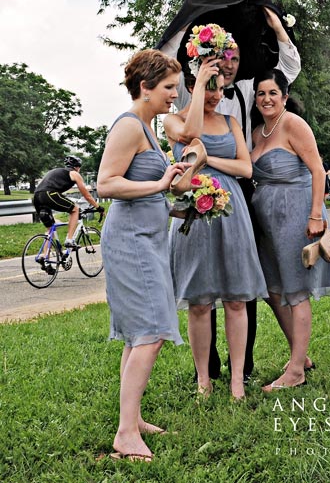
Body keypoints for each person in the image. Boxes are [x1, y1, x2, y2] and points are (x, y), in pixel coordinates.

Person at [174, 7, 301, 383]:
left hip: (240, 188)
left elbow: (288, 70)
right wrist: (187, 28)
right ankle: (208, 371)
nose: (227, 65)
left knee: (243, 283)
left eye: (234, 58)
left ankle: (241, 370)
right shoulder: (188, 87)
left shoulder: (246, 92)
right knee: (203, 284)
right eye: (220, 57)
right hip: (196, 188)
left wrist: (277, 26)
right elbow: (166, 64)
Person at [96, 49, 191, 462]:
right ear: (145, 86)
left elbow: (149, 187)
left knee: (139, 333)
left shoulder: (149, 129)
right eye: (170, 87)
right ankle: (124, 435)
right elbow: (106, 185)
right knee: (151, 331)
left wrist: (181, 204)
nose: (175, 94)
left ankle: (132, 420)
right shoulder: (129, 126)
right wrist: (160, 187)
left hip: (149, 236)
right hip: (130, 242)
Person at [164, 59, 267, 400]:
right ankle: (203, 380)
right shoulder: (174, 121)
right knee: (199, 302)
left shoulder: (231, 121)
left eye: (220, 88)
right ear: (191, 87)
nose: (216, 95)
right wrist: (198, 89)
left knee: (237, 299)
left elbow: (245, 167)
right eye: (209, 87)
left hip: (230, 209)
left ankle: (237, 378)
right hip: (192, 210)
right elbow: (188, 139)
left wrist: (208, 161)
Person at [249, 69, 330, 391]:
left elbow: (317, 169)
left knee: (296, 291)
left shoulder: (293, 124)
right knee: (274, 291)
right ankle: (299, 356)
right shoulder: (257, 131)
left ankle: (295, 372)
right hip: (266, 221)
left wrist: (316, 216)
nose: (267, 99)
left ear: (285, 96)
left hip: (297, 213)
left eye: (273, 92)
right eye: (261, 93)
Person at [33, 155, 104, 246]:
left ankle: (44, 256)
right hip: (48, 194)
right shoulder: (75, 174)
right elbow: (86, 194)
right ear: (77, 167)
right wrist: (98, 207)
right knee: (75, 209)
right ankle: (69, 240)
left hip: (36, 197)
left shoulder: (58, 171)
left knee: (50, 230)